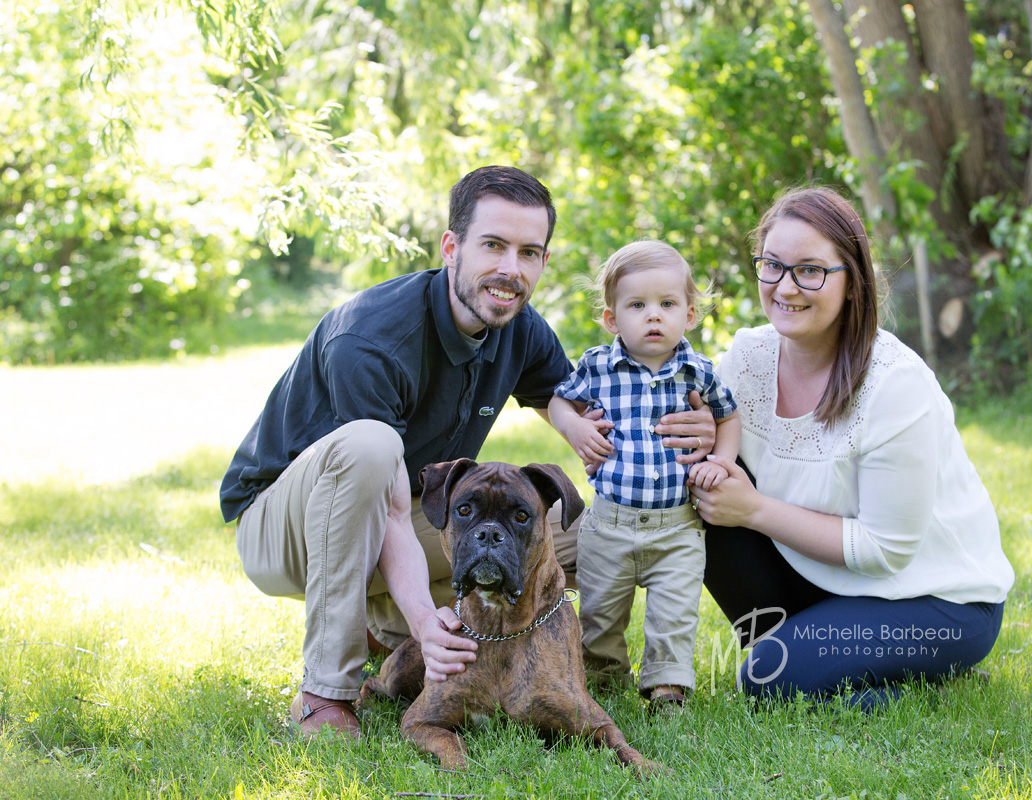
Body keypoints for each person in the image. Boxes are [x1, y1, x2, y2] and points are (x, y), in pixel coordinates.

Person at [219, 167, 716, 739]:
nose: (511, 268)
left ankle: (446, 647)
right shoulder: (373, 340)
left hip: (403, 512)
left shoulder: (518, 326)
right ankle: (326, 691)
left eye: (529, 252)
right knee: (371, 444)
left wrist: (691, 421)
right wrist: (426, 622)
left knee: (587, 528)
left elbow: (580, 401)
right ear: (452, 247)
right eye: (493, 245)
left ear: (544, 262)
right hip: (288, 531)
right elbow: (391, 510)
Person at [691, 187, 1014, 711]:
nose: (786, 287)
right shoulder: (747, 357)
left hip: (936, 601)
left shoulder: (893, 384)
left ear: (852, 281)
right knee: (694, 486)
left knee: (767, 682)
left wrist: (753, 510)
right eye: (772, 265)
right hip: (826, 585)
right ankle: (806, 652)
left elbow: (886, 550)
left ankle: (911, 674)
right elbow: (705, 442)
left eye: (811, 271)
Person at [549, 240, 740, 714]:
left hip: (677, 527)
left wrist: (723, 459)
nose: (653, 316)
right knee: (599, 614)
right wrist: (574, 426)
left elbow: (728, 416)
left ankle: (666, 688)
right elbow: (559, 402)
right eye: (637, 305)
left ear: (690, 315)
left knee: (674, 615)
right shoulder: (597, 365)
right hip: (609, 524)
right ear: (613, 319)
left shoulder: (698, 372)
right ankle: (602, 679)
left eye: (667, 304)